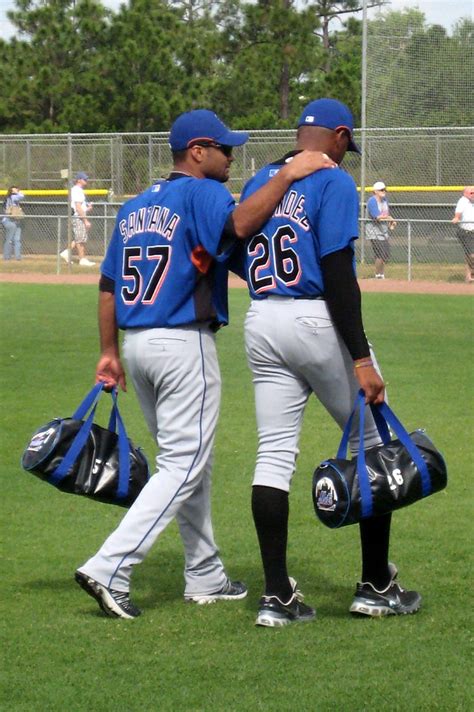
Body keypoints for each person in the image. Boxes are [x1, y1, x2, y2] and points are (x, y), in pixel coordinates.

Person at [74, 108, 335, 619]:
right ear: (197, 151)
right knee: (184, 463)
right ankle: (110, 566)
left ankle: (204, 573)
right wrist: (287, 174)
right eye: (223, 148)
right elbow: (240, 223)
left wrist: (108, 353)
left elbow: (107, 287)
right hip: (182, 342)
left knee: (190, 461)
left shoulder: (134, 207)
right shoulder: (204, 193)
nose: (231, 156)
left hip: (136, 345)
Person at [237, 98, 421, 627]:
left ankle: (277, 597)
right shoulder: (334, 180)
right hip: (317, 318)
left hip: (263, 317)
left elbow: (234, 242)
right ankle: (375, 586)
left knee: (273, 456)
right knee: (376, 448)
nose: (349, 151)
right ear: (339, 135)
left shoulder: (262, 180)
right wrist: (361, 358)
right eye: (349, 142)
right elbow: (339, 271)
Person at [60, 172, 95, 266]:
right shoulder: (77, 190)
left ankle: (66, 253)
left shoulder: (77, 190)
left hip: (78, 216)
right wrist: (85, 220)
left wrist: (87, 208)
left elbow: (80, 207)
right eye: (84, 179)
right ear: (79, 180)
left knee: (80, 238)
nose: (86, 181)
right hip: (78, 217)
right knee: (80, 240)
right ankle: (82, 259)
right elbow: (78, 207)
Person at [365, 181, 396, 279]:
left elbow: (385, 214)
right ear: (375, 191)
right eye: (381, 190)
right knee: (380, 253)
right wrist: (390, 218)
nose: (384, 192)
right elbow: (377, 217)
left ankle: (381, 274)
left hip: (383, 231)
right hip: (374, 231)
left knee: (385, 254)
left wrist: (390, 222)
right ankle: (378, 275)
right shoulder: (372, 201)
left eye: (384, 190)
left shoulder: (384, 200)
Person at [452, 186, 474, 283]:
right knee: (472, 255)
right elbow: (458, 212)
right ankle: (471, 273)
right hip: (466, 232)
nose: (473, 194)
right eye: (471, 193)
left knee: (468, 255)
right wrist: (456, 217)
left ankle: (468, 276)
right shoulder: (463, 201)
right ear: (465, 193)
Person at [2, 186, 25, 260]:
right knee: (10, 239)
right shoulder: (13, 197)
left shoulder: (10, 198)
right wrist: (17, 192)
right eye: (15, 189)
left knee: (16, 239)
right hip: (9, 221)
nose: (17, 190)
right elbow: (22, 196)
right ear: (12, 191)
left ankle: (17, 257)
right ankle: (7, 257)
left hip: (15, 220)